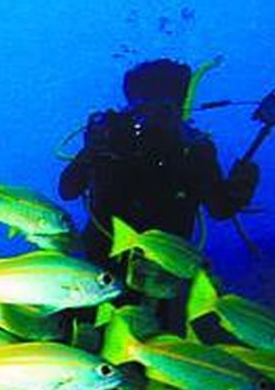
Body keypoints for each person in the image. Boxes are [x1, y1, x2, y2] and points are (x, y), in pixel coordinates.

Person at [59, 58, 260, 266]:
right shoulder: (111, 137)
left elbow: (220, 208)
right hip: (100, 262)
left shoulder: (194, 148)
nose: (152, 119)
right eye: (144, 108)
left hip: (162, 266)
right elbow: (67, 190)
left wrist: (243, 182)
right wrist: (92, 151)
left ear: (179, 107)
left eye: (162, 110)